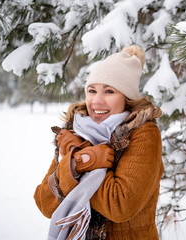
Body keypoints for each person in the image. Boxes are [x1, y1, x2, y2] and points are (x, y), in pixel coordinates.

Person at [34, 45, 164, 240]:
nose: (97, 101)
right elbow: (45, 202)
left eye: (109, 91)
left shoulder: (143, 133)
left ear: (126, 97)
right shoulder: (76, 131)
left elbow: (120, 205)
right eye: (92, 91)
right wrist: (79, 162)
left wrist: (80, 152)